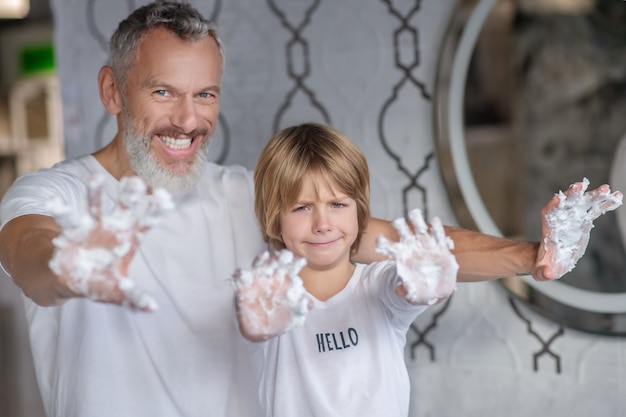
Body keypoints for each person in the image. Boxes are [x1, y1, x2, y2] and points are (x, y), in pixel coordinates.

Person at [0, 1, 620, 417]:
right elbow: (25, 250)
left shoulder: (252, 194)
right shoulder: (57, 194)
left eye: (205, 94)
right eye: (163, 92)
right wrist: (69, 266)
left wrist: (532, 256)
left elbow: (397, 241)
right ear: (112, 89)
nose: (188, 120)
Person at [233, 123, 459, 416]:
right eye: (302, 208)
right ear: (274, 220)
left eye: (338, 204)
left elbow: (405, 289)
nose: (322, 224)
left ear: (359, 211)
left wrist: (427, 281)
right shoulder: (268, 298)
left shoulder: (377, 284)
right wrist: (253, 322)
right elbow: (251, 328)